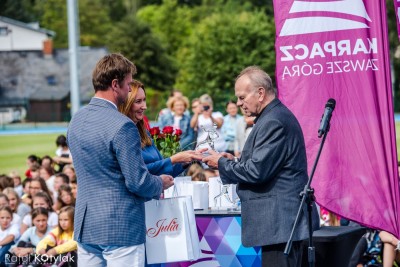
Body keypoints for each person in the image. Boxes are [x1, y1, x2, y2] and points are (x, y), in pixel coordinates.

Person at [202, 66, 319, 267]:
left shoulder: (273, 121)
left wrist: (220, 163)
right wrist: (232, 161)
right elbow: (264, 165)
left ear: (260, 93)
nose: (238, 103)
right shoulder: (271, 117)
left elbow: (257, 171)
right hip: (280, 225)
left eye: (241, 97)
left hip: (280, 225)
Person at [67, 53, 174, 266]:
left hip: (86, 224)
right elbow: (138, 181)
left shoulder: (77, 119)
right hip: (119, 226)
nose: (128, 90)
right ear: (115, 85)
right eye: (127, 84)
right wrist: (160, 182)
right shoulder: (123, 125)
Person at [118, 80, 202, 177]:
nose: (144, 106)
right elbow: (138, 173)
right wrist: (174, 159)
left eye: (144, 100)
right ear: (126, 103)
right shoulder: (123, 133)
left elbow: (162, 169)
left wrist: (185, 160)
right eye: (138, 101)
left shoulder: (145, 133)